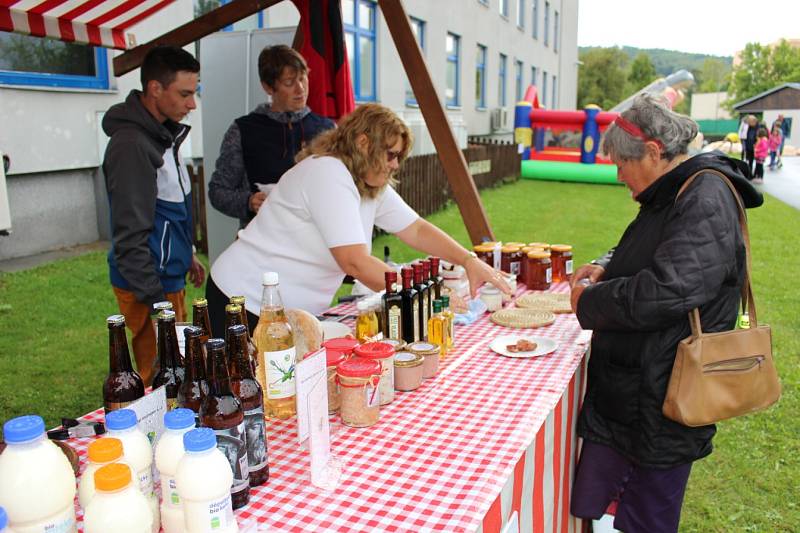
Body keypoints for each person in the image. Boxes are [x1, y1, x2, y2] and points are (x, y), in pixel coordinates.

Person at [568, 94, 762, 533]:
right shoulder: (674, 190)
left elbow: (668, 288)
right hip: (636, 388)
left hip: (662, 396)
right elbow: (647, 247)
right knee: (606, 508)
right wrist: (604, 263)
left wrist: (588, 303)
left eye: (621, 164)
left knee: (645, 516)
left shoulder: (706, 194)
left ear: (654, 152)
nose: (619, 175)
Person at [206, 103, 510, 335]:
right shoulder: (328, 172)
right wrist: (428, 294)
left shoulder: (369, 182)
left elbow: (416, 229)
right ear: (363, 143)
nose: (394, 165)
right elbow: (354, 262)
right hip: (241, 300)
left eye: (398, 157)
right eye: (390, 154)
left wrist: (469, 260)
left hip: (286, 310)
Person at [102, 45, 205, 385]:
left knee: (181, 369)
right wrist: (158, 302)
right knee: (161, 380)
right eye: (185, 94)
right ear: (155, 89)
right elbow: (130, 238)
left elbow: (169, 206)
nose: (192, 104)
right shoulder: (132, 144)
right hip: (149, 285)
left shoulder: (162, 132)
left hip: (167, 277)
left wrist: (186, 253)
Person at [208, 45, 336, 228]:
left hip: (316, 240)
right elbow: (218, 192)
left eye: (303, 78)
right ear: (268, 87)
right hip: (263, 243)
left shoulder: (327, 129)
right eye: (289, 83)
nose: (300, 89)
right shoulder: (243, 130)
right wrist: (248, 202)